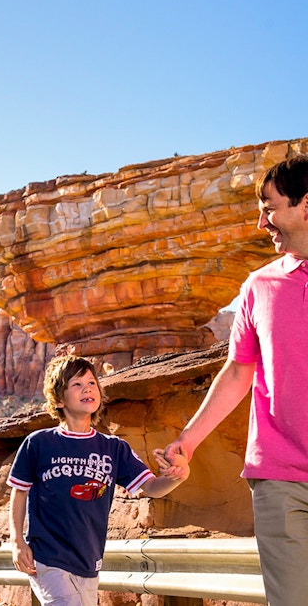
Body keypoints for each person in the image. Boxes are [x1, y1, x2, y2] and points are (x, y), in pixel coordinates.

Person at [164, 154, 308, 606]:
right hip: (280, 476)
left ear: (306, 205)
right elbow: (238, 370)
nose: (262, 220)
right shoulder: (258, 286)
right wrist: (187, 441)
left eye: (270, 206)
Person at [8, 354, 190, 606]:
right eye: (77, 384)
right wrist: (17, 542)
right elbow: (19, 492)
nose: (87, 389)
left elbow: (151, 487)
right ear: (59, 399)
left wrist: (176, 477)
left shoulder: (114, 448)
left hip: (89, 559)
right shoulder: (39, 443)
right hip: (47, 556)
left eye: (92, 383)